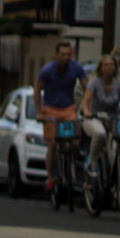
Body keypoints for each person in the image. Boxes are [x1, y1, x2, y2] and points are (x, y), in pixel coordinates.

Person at [33, 41, 87, 191]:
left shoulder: (76, 68)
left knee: (75, 142)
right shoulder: (47, 70)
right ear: (57, 55)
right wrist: (39, 112)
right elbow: (37, 90)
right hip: (50, 109)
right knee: (53, 143)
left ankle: (72, 164)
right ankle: (51, 177)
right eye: (63, 54)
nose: (66, 57)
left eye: (68, 54)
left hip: (68, 108)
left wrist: (86, 106)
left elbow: (86, 87)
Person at [81, 55, 120, 171]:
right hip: (95, 118)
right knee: (100, 133)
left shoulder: (119, 81)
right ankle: (92, 162)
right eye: (106, 65)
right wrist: (86, 111)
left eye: (112, 65)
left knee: (116, 149)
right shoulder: (95, 82)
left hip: (112, 120)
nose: (109, 67)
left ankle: (116, 178)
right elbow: (86, 100)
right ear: (100, 68)